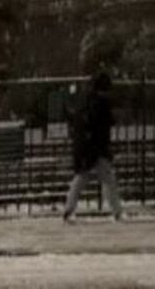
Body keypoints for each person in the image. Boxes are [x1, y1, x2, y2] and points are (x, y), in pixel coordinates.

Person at [62, 72, 124, 222]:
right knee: (108, 179)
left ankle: (69, 209)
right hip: (96, 147)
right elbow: (103, 126)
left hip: (85, 146)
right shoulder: (101, 103)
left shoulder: (85, 101)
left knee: (82, 177)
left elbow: (83, 122)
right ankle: (117, 211)